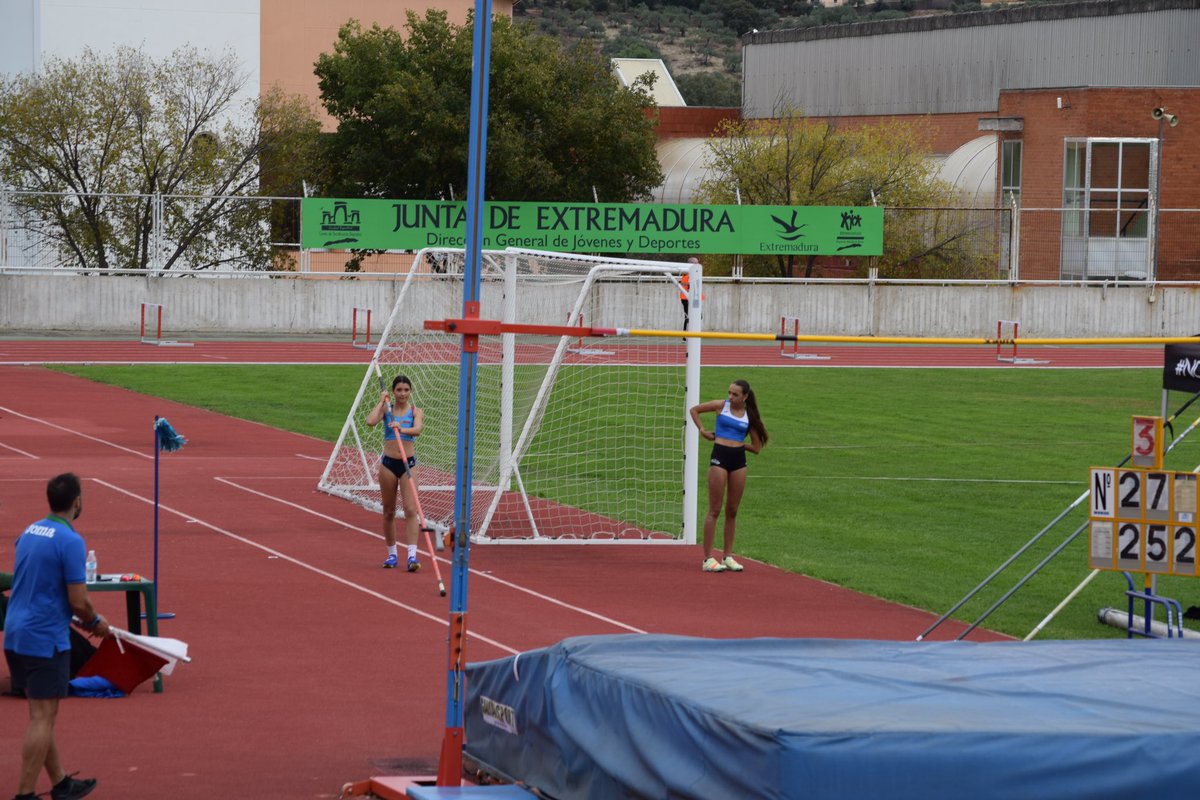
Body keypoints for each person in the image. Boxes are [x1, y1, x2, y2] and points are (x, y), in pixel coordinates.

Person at [5, 473, 110, 800]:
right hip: (44, 638)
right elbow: (78, 600)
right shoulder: (70, 541)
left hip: (16, 632)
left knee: (41, 713)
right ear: (77, 501)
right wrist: (95, 621)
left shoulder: (29, 530)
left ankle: (61, 783)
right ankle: (24, 794)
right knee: (42, 717)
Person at [688, 380, 769, 573]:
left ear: (745, 397)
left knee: (732, 510)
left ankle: (728, 556)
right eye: (729, 393)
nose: (730, 397)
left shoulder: (750, 416)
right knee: (714, 509)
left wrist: (737, 444)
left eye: (735, 395)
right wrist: (702, 431)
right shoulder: (720, 406)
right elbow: (694, 410)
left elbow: (756, 447)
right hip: (720, 458)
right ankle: (708, 558)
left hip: (738, 462)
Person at [365, 374, 425, 571]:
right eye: (399, 390)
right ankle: (392, 555)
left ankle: (412, 557)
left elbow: (417, 430)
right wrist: (381, 401)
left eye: (406, 390)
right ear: (393, 392)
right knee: (389, 510)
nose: (402, 394)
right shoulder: (387, 410)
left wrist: (402, 428)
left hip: (409, 465)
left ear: (410, 391)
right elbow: (370, 421)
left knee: (410, 510)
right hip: (388, 465)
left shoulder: (416, 411)